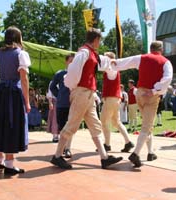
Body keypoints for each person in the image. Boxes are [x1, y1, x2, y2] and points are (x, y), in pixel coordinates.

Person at [50, 28, 123, 170]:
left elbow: (106, 63)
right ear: (96, 40)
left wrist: (117, 62)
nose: (100, 43)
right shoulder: (83, 52)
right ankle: (57, 156)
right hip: (82, 93)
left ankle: (104, 157)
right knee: (72, 124)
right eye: (99, 40)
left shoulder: (91, 53)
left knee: (95, 126)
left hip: (88, 93)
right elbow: (72, 72)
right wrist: (74, 88)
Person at [112, 41, 173, 167]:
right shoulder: (166, 62)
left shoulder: (142, 58)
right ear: (161, 49)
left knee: (147, 125)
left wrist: (113, 63)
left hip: (139, 93)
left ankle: (150, 152)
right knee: (146, 126)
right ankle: (136, 153)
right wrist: (155, 90)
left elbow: (126, 62)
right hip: (151, 94)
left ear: (150, 49)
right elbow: (167, 78)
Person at [0, 26, 31, 175]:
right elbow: (24, 80)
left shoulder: (0, 53)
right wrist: (27, 101)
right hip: (14, 93)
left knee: (1, 123)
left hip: (1, 92)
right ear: (19, 38)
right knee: (11, 125)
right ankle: (9, 164)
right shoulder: (21, 54)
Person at [100, 52, 135, 153]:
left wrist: (110, 61)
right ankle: (128, 142)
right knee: (116, 122)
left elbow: (106, 67)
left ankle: (107, 145)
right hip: (115, 99)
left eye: (105, 57)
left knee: (104, 121)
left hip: (111, 99)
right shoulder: (112, 69)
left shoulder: (112, 69)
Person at [50, 54, 75, 158]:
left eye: (74, 61)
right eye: (70, 61)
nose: (72, 63)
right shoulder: (60, 74)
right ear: (66, 62)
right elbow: (52, 86)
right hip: (61, 105)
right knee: (62, 127)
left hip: (73, 104)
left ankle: (67, 149)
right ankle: (62, 147)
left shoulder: (77, 74)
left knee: (71, 127)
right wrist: (59, 95)